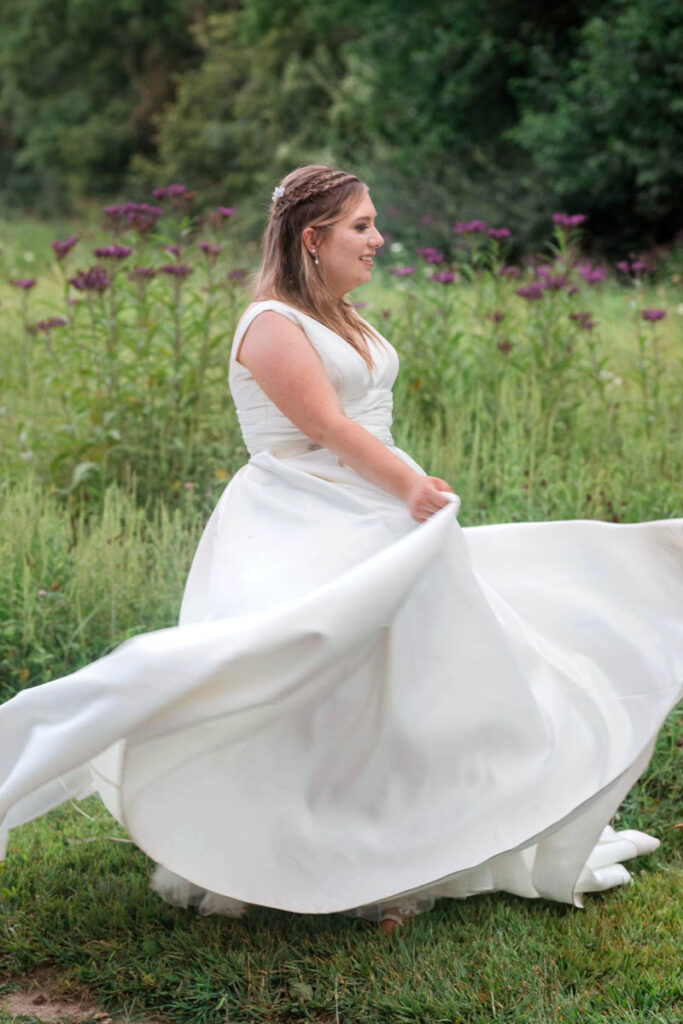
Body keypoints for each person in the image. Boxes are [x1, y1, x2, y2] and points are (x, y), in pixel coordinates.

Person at [1, 165, 681, 938]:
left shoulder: (340, 313)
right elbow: (324, 425)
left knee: (419, 676)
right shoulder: (268, 324)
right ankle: (296, 845)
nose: (378, 239)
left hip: (371, 507)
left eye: (374, 223)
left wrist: (402, 491)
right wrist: (409, 485)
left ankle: (409, 841)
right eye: (361, 226)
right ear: (311, 239)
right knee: (306, 666)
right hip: (303, 516)